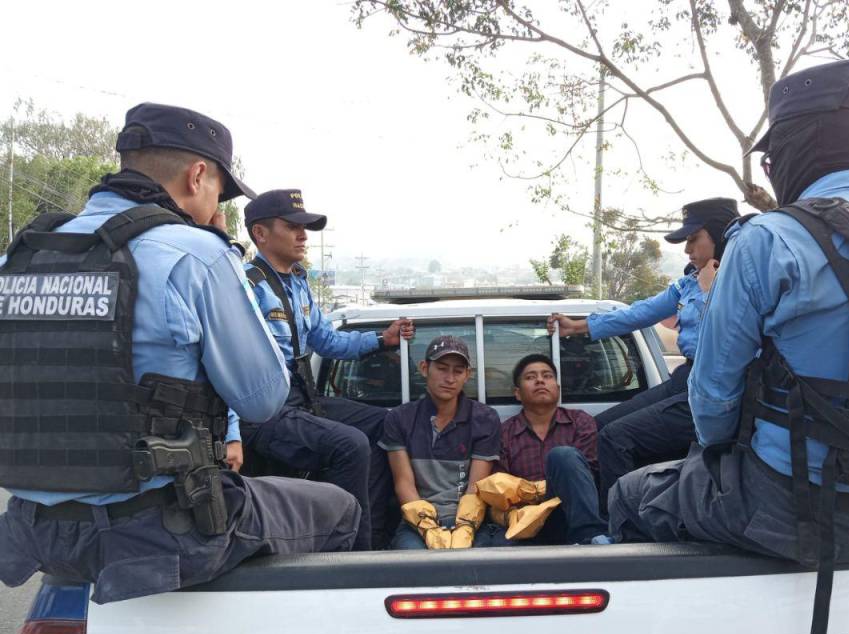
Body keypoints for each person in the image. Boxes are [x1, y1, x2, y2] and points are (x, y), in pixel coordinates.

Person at [607, 60, 849, 634]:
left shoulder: (769, 239)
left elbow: (712, 397)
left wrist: (715, 454)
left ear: (794, 149)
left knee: (632, 495)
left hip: (788, 504)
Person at [0, 103, 360, 603]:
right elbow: (263, 400)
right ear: (197, 176)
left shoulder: (20, 259)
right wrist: (220, 257)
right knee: (340, 507)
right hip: (159, 529)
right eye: (219, 190)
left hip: (32, 529)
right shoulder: (197, 254)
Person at [240, 189, 414, 551]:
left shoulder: (298, 283)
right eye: (293, 227)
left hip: (303, 399)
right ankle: (350, 556)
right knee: (350, 445)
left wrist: (383, 339)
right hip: (264, 410)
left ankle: (376, 537)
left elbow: (327, 342)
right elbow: (227, 364)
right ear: (261, 233)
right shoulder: (247, 286)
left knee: (384, 424)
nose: (304, 236)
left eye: (305, 228)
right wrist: (229, 433)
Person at [548, 197, 739, 503]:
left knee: (617, 439)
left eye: (693, 239)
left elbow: (728, 339)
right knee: (600, 429)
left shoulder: (739, 281)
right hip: (686, 379)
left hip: (717, 388)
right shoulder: (689, 283)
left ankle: (623, 533)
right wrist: (579, 326)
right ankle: (601, 517)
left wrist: (709, 291)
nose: (687, 250)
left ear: (718, 235)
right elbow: (639, 313)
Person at [379, 336, 508, 550]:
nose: (449, 378)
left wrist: (464, 527)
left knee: (477, 564)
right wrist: (428, 527)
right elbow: (404, 483)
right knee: (415, 563)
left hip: (470, 519)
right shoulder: (399, 418)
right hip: (416, 520)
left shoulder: (484, 418)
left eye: (458, 371)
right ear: (424, 368)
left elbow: (476, 487)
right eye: (441, 368)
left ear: (467, 375)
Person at [496, 354, 609, 544]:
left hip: (572, 513)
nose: (540, 380)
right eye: (530, 377)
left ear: (557, 388)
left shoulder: (580, 421)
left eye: (547, 376)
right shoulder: (504, 433)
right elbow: (500, 488)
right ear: (517, 393)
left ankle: (590, 538)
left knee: (562, 456)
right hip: (526, 522)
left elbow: (588, 474)